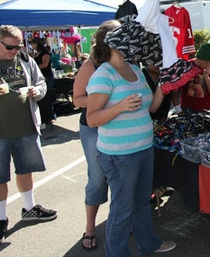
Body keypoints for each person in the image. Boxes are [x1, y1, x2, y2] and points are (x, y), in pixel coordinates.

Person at [86, 32, 176, 256]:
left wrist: (163, 86)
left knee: (141, 202)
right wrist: (120, 107)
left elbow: (151, 108)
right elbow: (91, 119)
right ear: (114, 43)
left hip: (144, 148)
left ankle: (149, 244)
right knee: (122, 209)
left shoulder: (135, 69)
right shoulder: (103, 75)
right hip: (120, 155)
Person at [0, 25, 57, 247]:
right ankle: (0, 220)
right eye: (10, 47)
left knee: (26, 169)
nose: (15, 51)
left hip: (26, 128)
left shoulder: (26, 60)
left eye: (18, 46)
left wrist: (37, 91)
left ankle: (29, 207)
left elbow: (41, 83)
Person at [72, 19, 120, 250]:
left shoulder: (125, 61)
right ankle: (90, 228)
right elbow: (77, 98)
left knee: (120, 178)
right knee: (98, 178)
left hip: (118, 126)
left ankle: (121, 221)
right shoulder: (91, 65)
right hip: (93, 128)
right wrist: (103, 100)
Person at [179, 43, 210, 113]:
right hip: (188, 108)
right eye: (206, 62)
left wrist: (206, 77)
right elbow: (176, 89)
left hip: (207, 109)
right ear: (199, 58)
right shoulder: (187, 66)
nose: (209, 65)